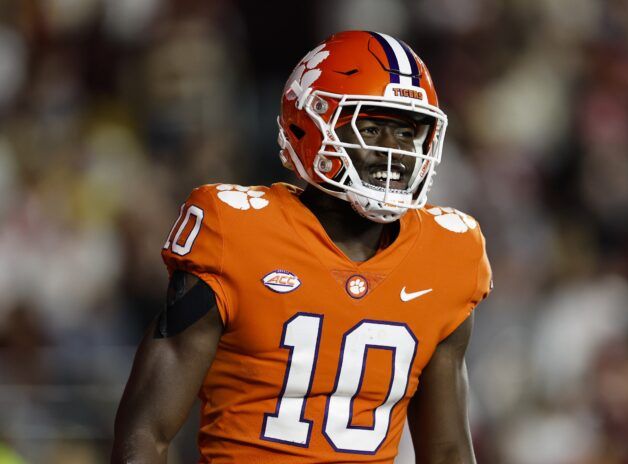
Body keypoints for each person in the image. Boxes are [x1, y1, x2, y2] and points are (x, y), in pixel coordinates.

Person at [111, 30, 491, 464]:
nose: (394, 152)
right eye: (371, 128)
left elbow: (447, 451)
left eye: (407, 134)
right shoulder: (234, 228)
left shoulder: (449, 251)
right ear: (307, 123)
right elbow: (146, 432)